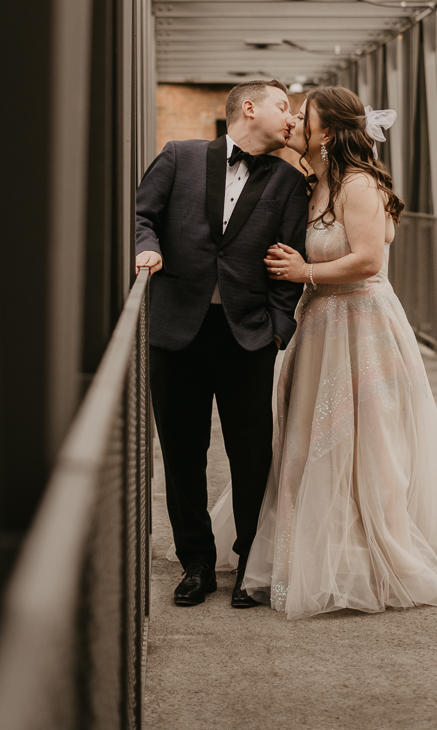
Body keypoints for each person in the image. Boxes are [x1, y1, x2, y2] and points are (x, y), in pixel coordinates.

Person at [215, 85, 437, 619]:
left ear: (325, 133)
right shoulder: (309, 185)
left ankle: (369, 551)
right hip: (319, 325)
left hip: (362, 325)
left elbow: (369, 260)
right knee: (306, 440)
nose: (294, 122)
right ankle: (305, 549)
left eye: (302, 116)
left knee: (367, 442)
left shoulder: (357, 184)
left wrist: (304, 271)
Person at [135, 80, 308, 609]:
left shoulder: (288, 181)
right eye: (285, 107)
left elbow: (292, 261)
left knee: (251, 454)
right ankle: (196, 564)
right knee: (182, 453)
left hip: (248, 334)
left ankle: (249, 563)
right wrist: (147, 249)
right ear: (249, 108)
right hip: (175, 331)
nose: (293, 119)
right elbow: (144, 216)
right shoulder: (179, 156)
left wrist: (280, 327)